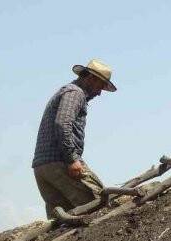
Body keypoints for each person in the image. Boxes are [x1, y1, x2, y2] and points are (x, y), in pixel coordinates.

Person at [32, 59, 116, 218]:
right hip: (60, 162)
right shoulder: (75, 93)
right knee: (98, 205)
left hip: (42, 166)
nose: (99, 93)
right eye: (100, 86)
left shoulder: (67, 92)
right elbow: (62, 124)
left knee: (63, 220)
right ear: (91, 78)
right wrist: (71, 159)